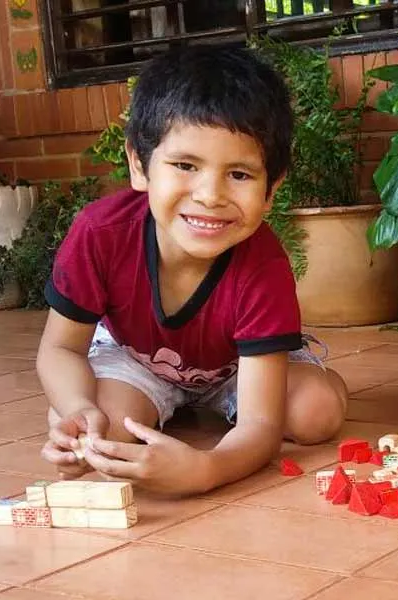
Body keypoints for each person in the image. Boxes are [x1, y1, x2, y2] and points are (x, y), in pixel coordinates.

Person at [37, 45, 348, 496]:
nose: (210, 195)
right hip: (135, 360)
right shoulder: (100, 232)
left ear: (271, 190)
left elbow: (261, 425)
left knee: (315, 412)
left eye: (239, 175)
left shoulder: (263, 265)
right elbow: (60, 349)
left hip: (237, 370)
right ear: (139, 166)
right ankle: (132, 407)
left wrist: (207, 469)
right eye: (185, 166)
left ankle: (304, 373)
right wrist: (77, 409)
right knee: (102, 429)